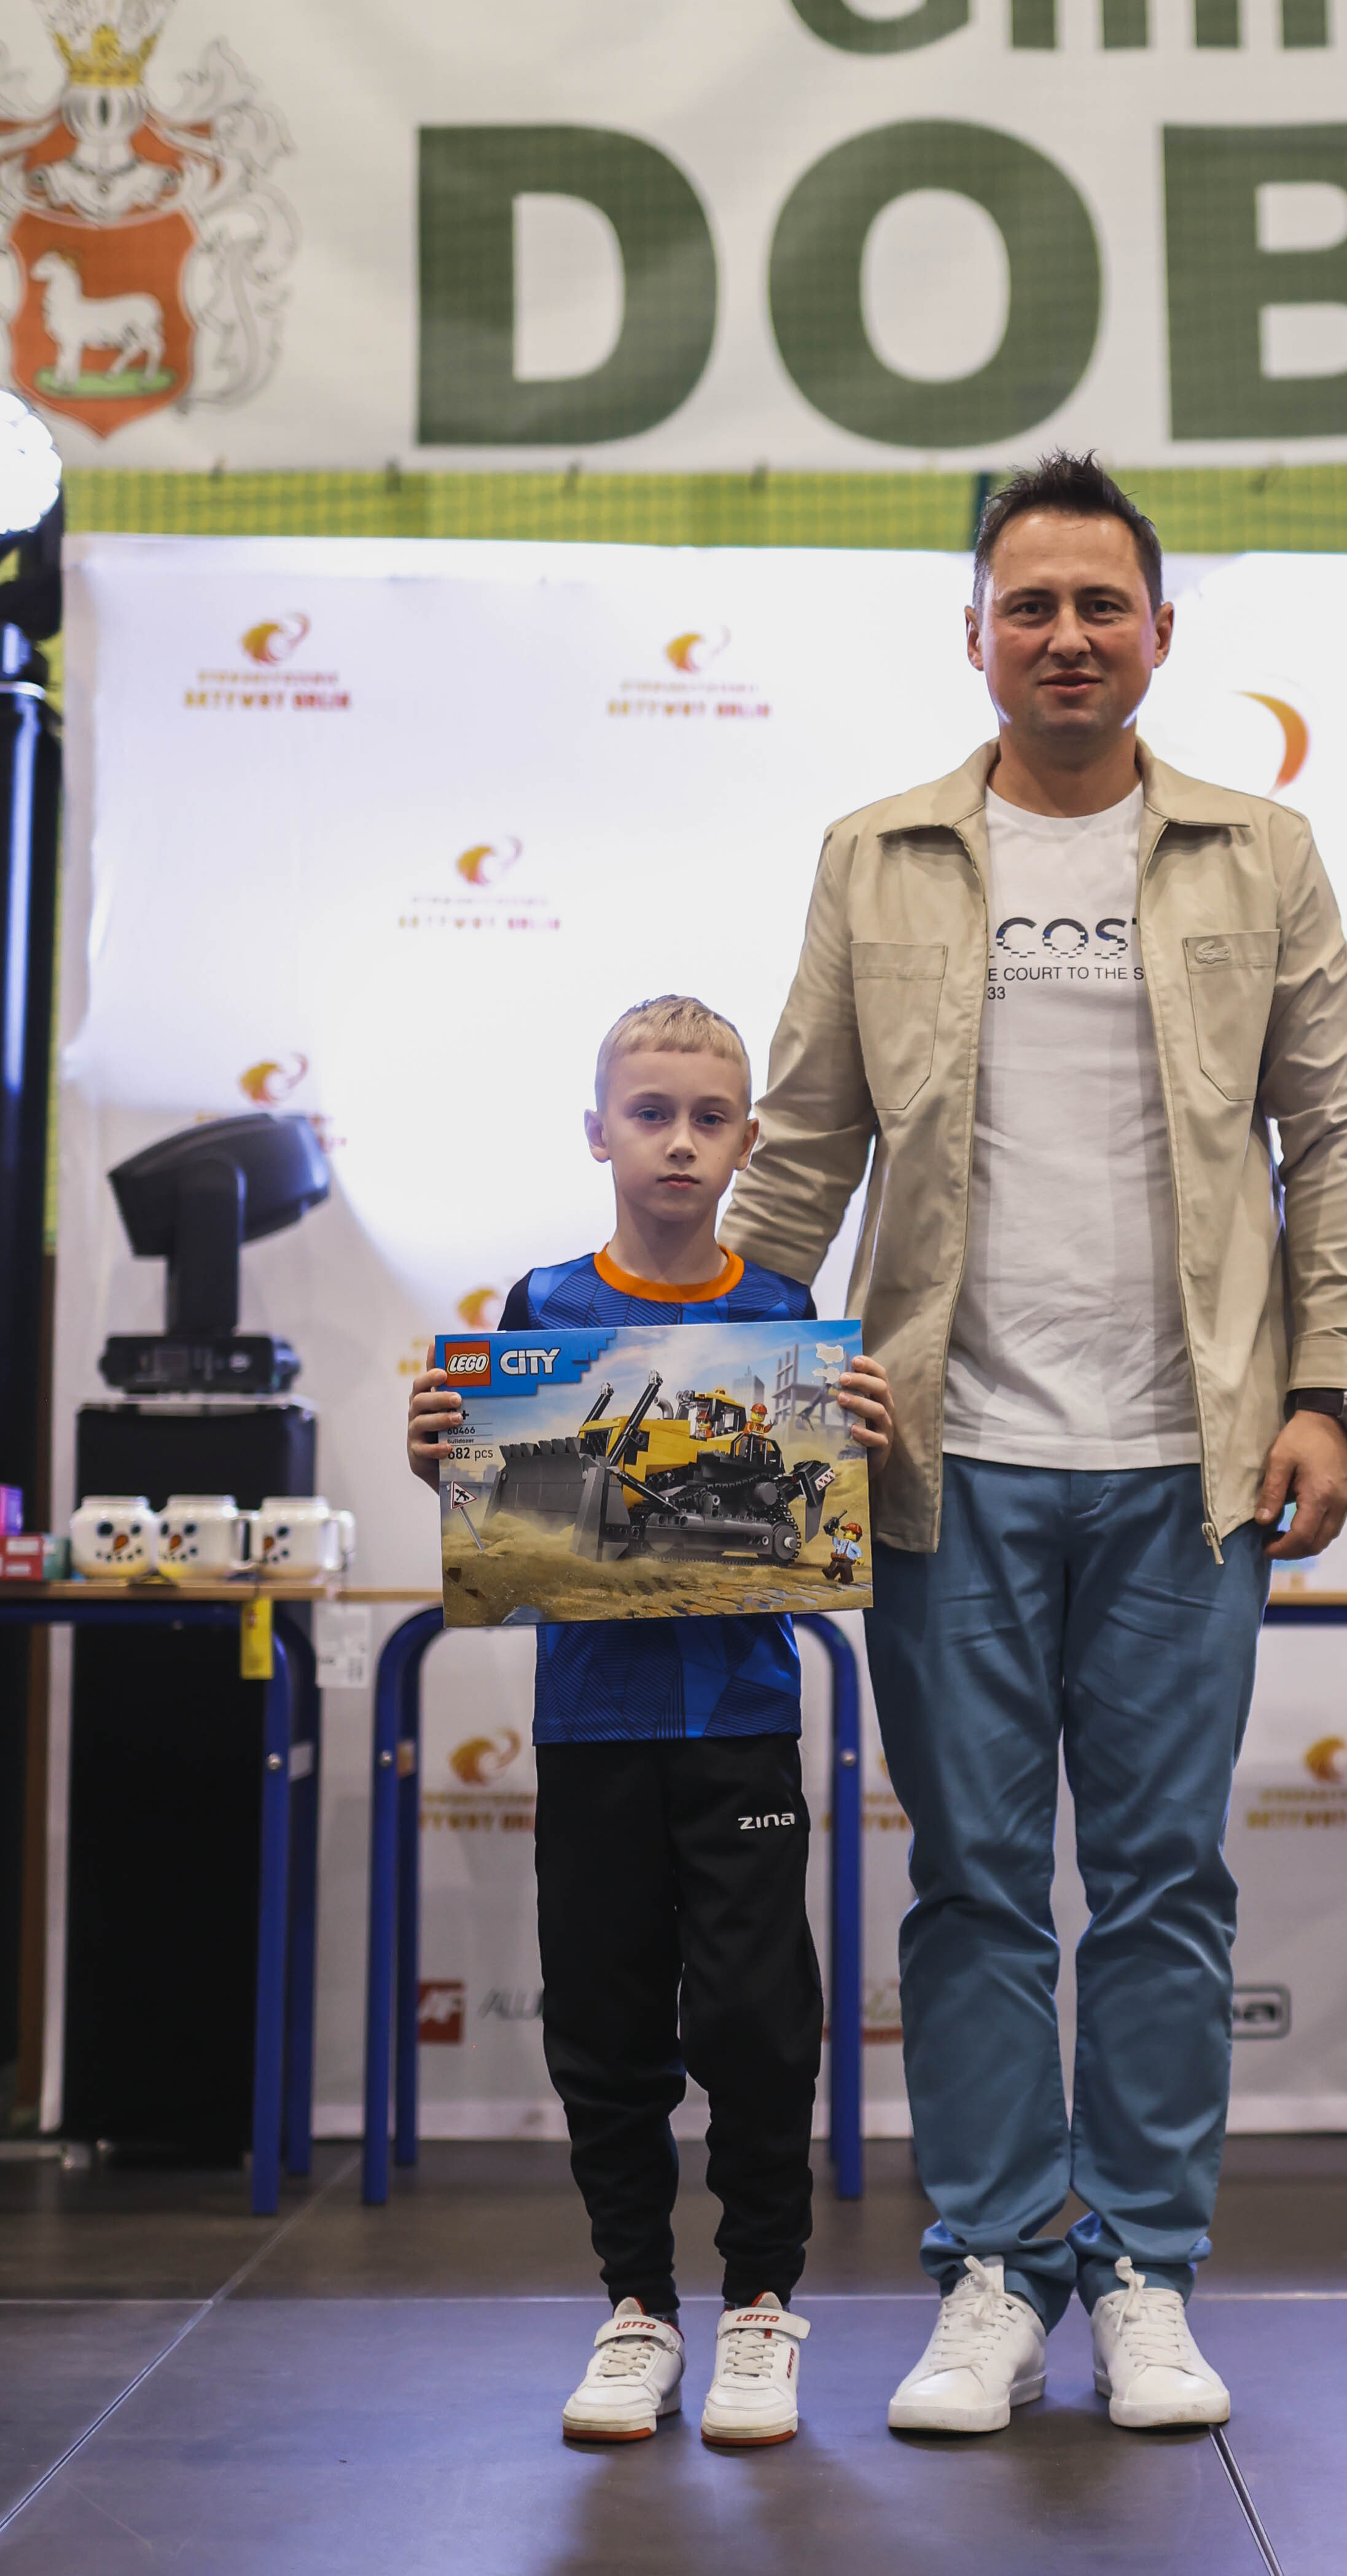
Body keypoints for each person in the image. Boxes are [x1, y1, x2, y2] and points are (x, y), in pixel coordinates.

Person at [720, 454, 1347, 2434]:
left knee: (1164, 1881)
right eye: (1031, 605)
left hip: (1194, 1461)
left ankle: (1145, 2275)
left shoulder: (1260, 850)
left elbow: (1326, 1135)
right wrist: (694, 1378)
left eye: (1102, 605)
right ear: (977, 635)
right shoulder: (874, 855)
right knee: (977, 1886)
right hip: (942, 1460)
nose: (1067, 636)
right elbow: (800, 1146)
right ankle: (996, 2273)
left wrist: (1325, 1388)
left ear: (1158, 634)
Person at [406, 993, 894, 2449]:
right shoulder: (541, 1308)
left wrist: (862, 1439)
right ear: (599, 1132)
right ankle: (635, 2308)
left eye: (708, 1117)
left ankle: (760, 2306)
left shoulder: (785, 1313)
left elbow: (816, 1511)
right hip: (592, 1728)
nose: (680, 1142)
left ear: (747, 1140)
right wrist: (442, 1457)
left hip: (742, 1718)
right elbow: (503, 1507)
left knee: (756, 2020)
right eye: (651, 1114)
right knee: (606, 2021)